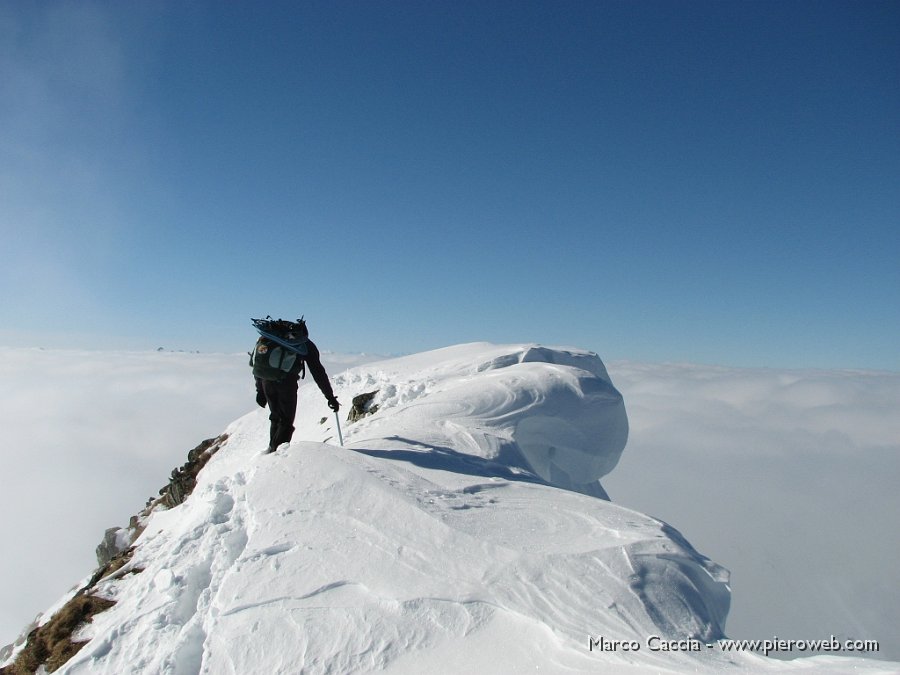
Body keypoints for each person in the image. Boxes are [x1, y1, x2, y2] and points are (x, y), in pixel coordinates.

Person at [253, 331, 339, 453]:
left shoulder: (269, 338)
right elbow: (317, 371)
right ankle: (276, 456)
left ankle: (272, 450)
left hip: (266, 382)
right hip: (287, 383)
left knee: (276, 417)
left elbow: (259, 365)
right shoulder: (303, 343)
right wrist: (330, 396)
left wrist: (260, 390)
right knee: (286, 422)